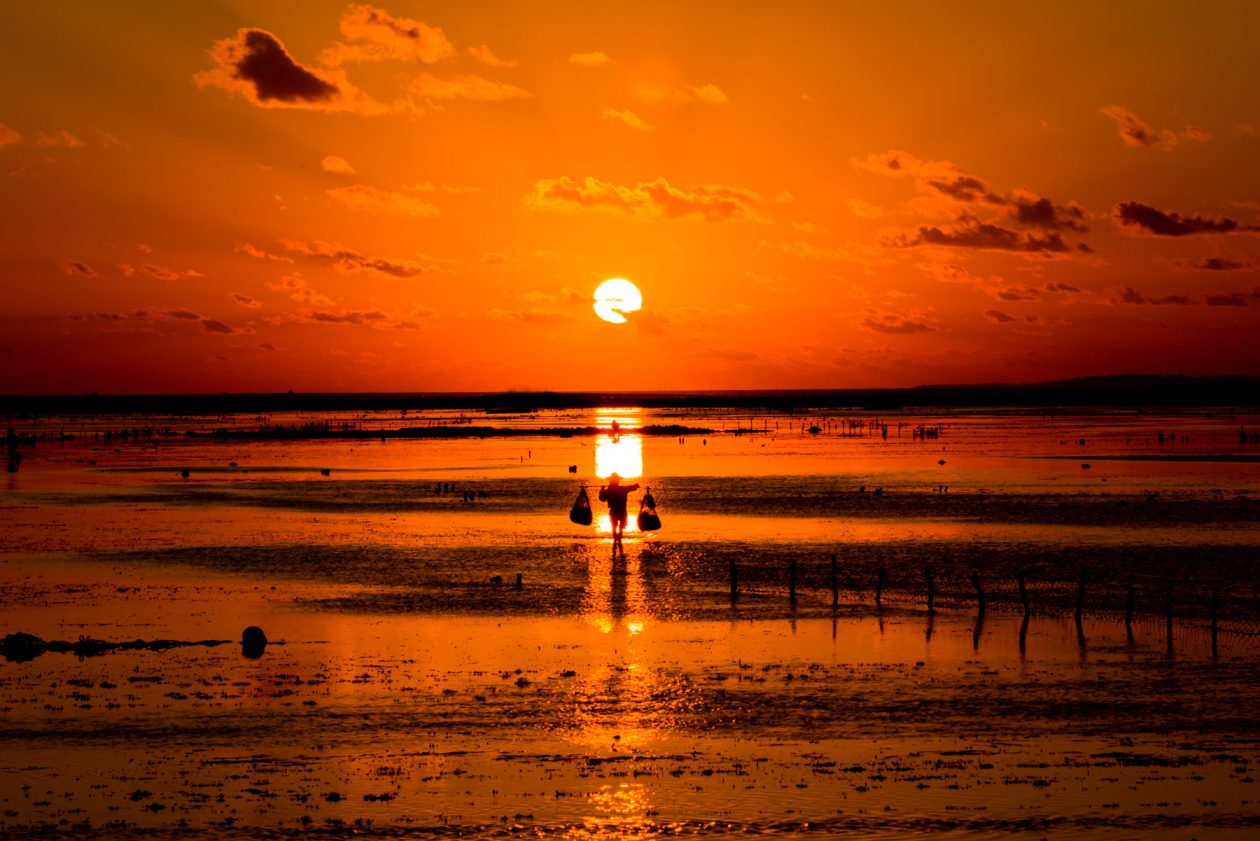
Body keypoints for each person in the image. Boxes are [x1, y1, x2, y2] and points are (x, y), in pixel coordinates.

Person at [598, 473, 640, 554]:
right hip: (620, 510)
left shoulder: (609, 490)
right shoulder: (622, 489)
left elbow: (602, 498)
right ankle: (618, 539)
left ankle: (616, 540)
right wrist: (636, 485)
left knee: (615, 526)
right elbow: (632, 487)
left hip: (615, 510)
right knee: (619, 526)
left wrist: (602, 489)